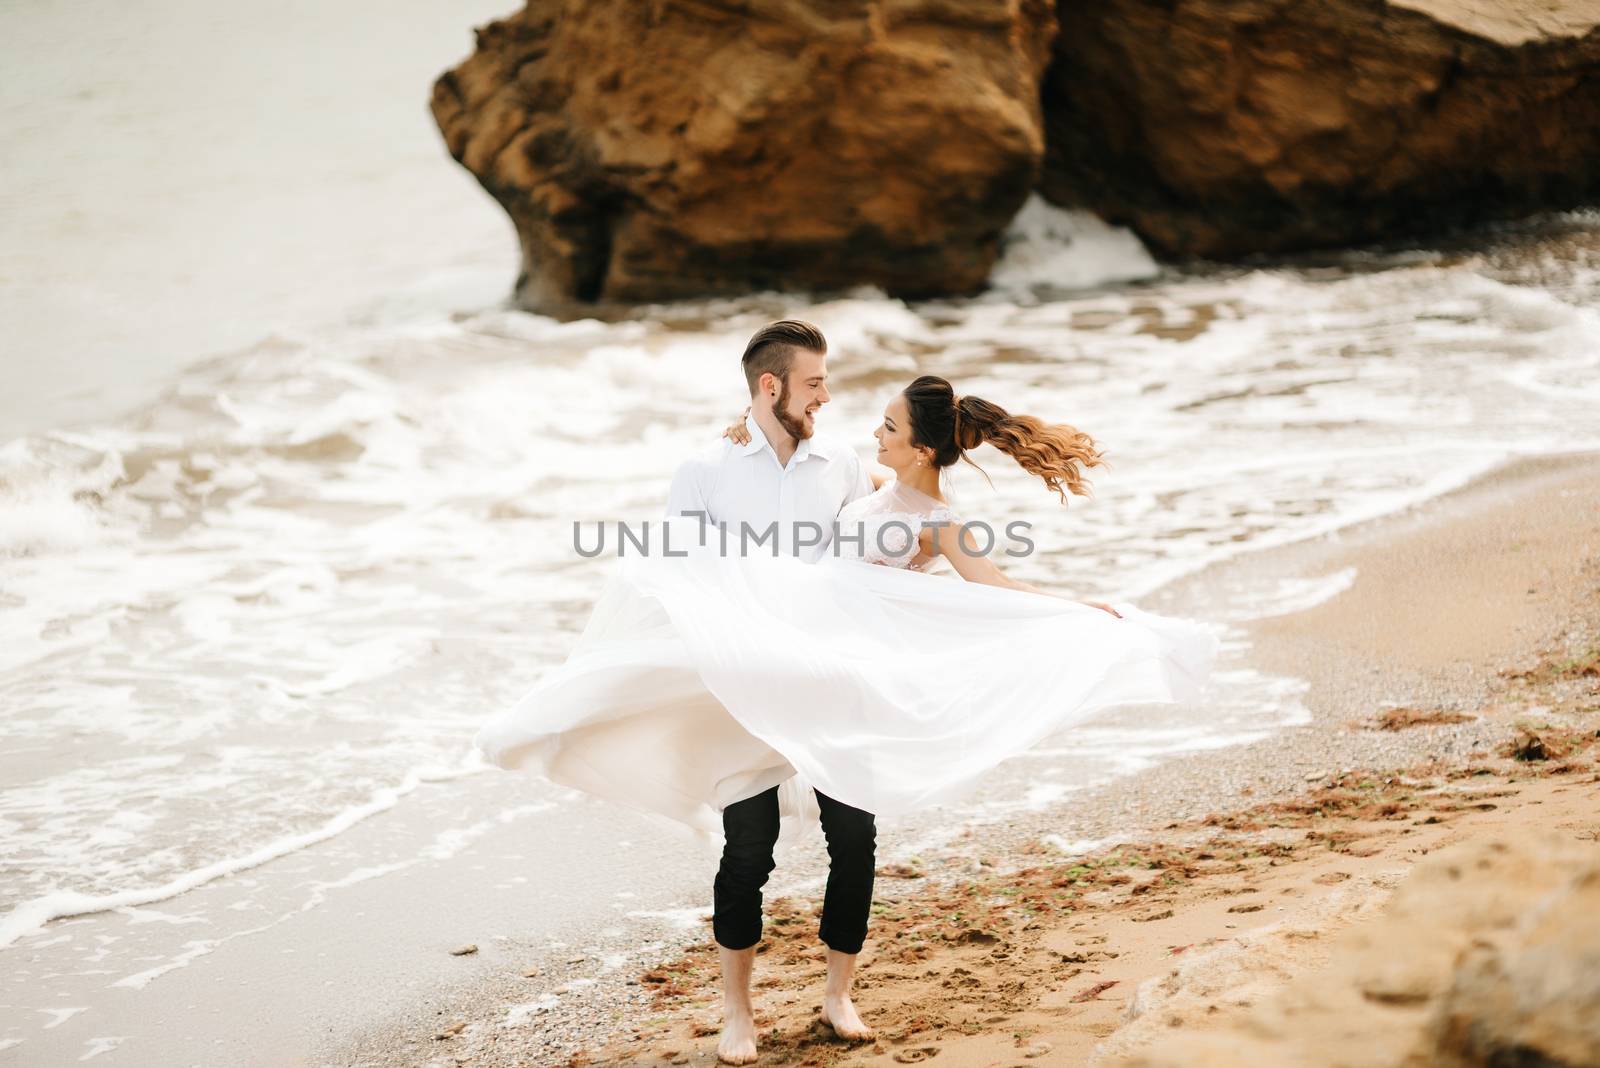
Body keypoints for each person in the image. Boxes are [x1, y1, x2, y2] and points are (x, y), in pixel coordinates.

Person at [475, 325, 1218, 1066]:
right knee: (746, 853)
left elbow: (920, 536)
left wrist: (1085, 610)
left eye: (831, 386)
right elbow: (682, 573)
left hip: (839, 689)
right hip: (751, 691)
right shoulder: (707, 467)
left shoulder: (840, 463)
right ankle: (738, 1013)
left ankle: (838, 996)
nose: (829, 398)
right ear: (771, 388)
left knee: (855, 843)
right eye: (815, 384)